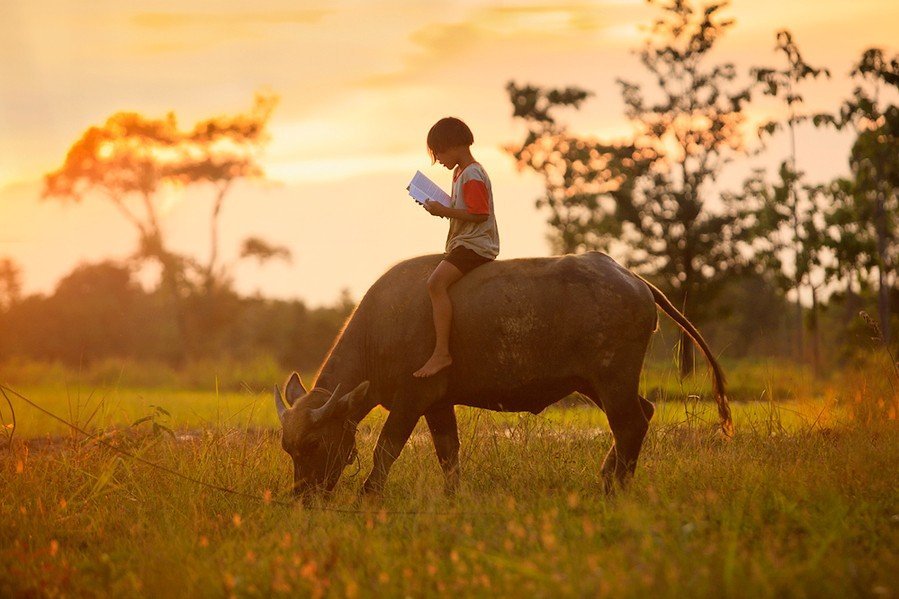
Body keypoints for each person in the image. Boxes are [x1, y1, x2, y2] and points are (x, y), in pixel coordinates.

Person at [413, 117, 500, 378]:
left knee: (435, 284)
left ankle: (442, 352)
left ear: (452, 146)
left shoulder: (472, 173)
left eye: (439, 153)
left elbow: (479, 214)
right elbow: (464, 207)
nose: (438, 160)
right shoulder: (460, 173)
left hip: (475, 244)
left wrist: (444, 210)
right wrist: (439, 206)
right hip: (464, 242)